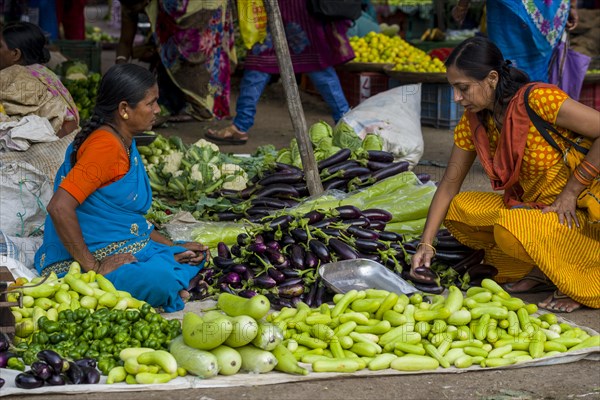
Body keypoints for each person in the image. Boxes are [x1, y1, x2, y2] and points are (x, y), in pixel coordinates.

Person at [410, 36, 599, 313]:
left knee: (511, 229)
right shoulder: (474, 121)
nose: (457, 98)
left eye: (463, 88)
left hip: (578, 208)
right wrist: (426, 244)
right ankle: (543, 269)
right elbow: (450, 185)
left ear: (492, 78)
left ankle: (583, 274)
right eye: (453, 89)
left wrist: (570, 193)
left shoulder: (539, 100)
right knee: (460, 211)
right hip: (535, 210)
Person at [34, 64, 209, 312]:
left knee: (193, 254)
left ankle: (166, 273)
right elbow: (60, 207)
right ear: (124, 109)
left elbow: (129, 221)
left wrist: (171, 246)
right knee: (160, 279)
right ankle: (162, 283)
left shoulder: (124, 141)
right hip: (79, 259)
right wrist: (94, 267)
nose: (158, 110)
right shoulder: (105, 147)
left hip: (121, 244)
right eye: (151, 103)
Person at [205, 0, 354, 145]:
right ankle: (347, 124)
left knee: (314, 66)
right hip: (276, 12)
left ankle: (347, 124)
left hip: (298, 12)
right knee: (261, 64)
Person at [115, 0, 235, 122]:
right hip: (174, 16)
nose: (138, 9)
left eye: (140, 5)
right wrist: (119, 72)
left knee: (195, 52)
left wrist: (158, 48)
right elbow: (125, 41)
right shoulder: (129, 6)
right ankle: (177, 103)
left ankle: (201, 107)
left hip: (201, 8)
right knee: (168, 54)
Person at [452, 0, 579, 83]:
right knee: (514, 72)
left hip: (515, 17)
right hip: (527, 13)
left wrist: (462, 5)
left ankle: (521, 115)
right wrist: (571, 6)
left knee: (509, 75)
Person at [0, 22, 79, 137]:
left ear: (16, 53)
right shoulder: (44, 71)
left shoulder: (15, 74)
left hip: (52, 145)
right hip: (70, 139)